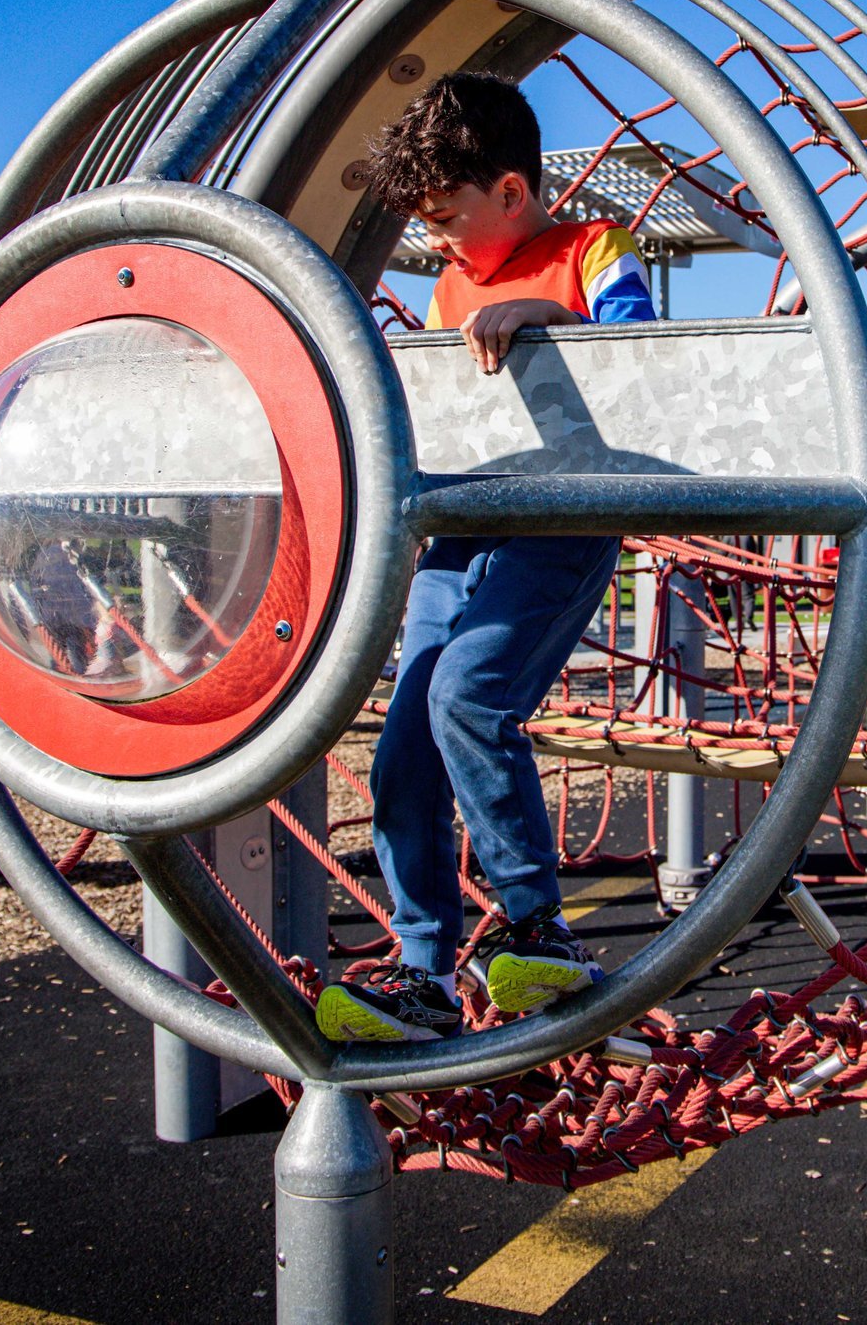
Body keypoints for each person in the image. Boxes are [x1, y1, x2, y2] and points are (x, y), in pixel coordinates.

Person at [316, 73, 658, 1043]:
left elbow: (648, 356)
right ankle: (425, 973)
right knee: (404, 747)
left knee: (468, 693)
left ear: (511, 192)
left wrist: (562, 326)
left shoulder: (594, 248)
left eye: (447, 216)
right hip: (464, 521)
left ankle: (536, 922)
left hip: (564, 510)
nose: (435, 240)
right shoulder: (449, 284)